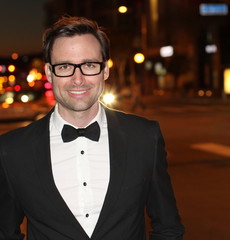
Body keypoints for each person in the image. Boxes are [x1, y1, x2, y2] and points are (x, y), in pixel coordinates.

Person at [0, 16, 184, 240]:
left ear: (105, 70)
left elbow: (168, 227)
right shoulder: (12, 150)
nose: (78, 79)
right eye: (65, 66)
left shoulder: (145, 136)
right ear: (49, 73)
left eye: (89, 65)